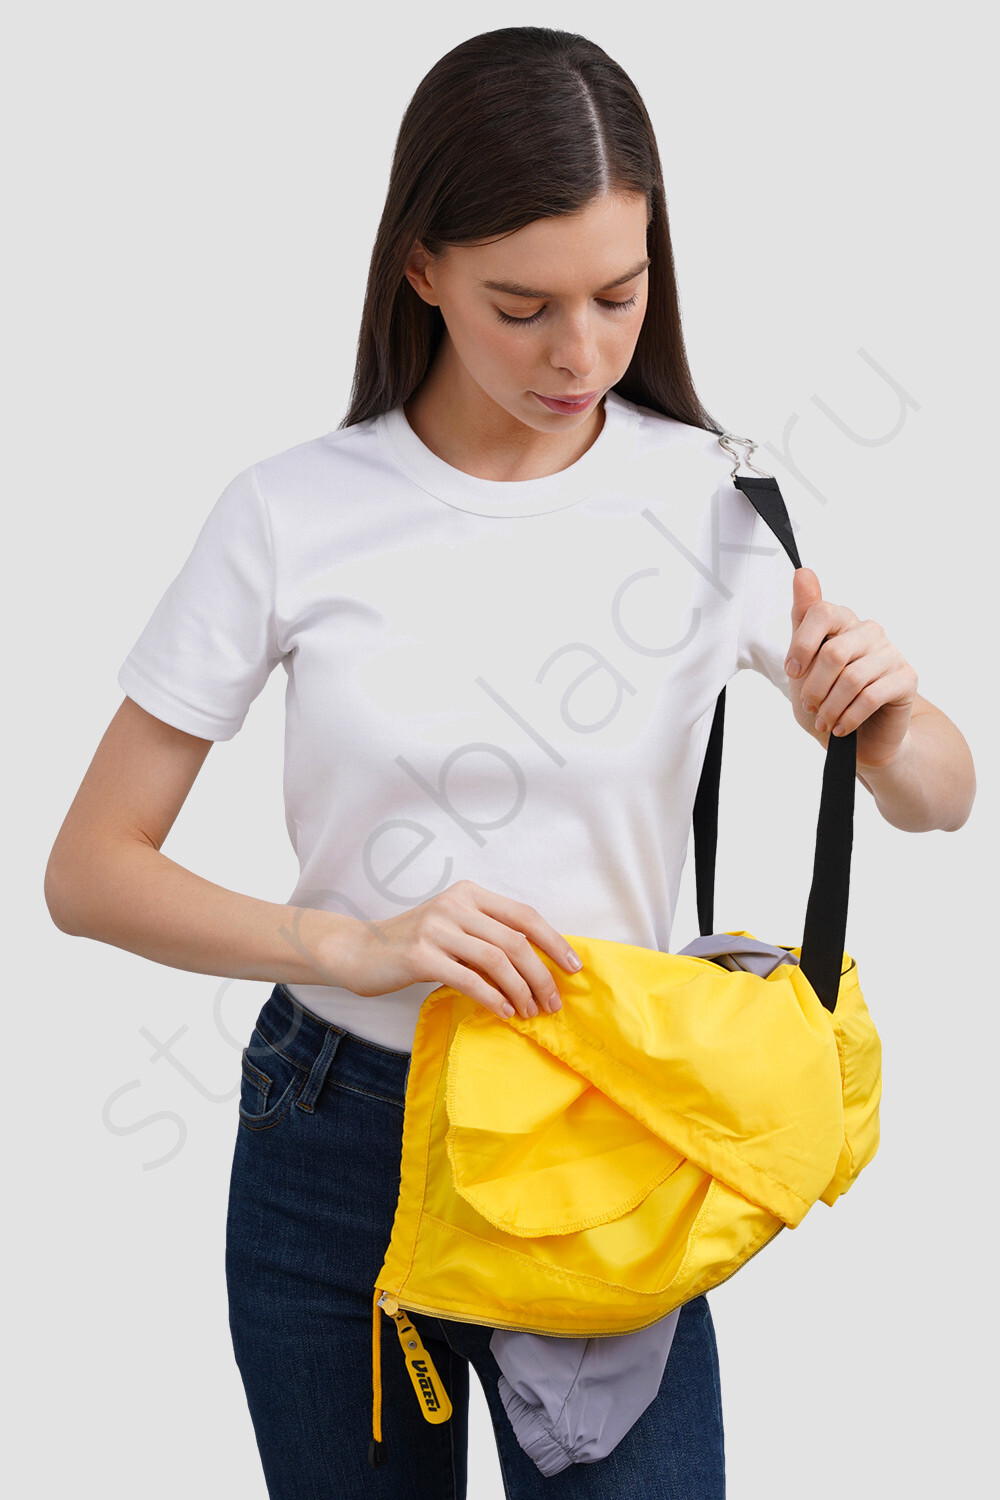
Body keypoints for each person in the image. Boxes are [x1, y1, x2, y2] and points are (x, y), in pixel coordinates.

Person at [43, 25, 975, 1500]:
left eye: (620, 294)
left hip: (607, 1131)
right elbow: (88, 873)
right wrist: (352, 942)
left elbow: (941, 799)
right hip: (338, 1140)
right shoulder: (289, 513)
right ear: (421, 268)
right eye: (523, 306)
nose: (582, 354)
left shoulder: (709, 497)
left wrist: (887, 718)